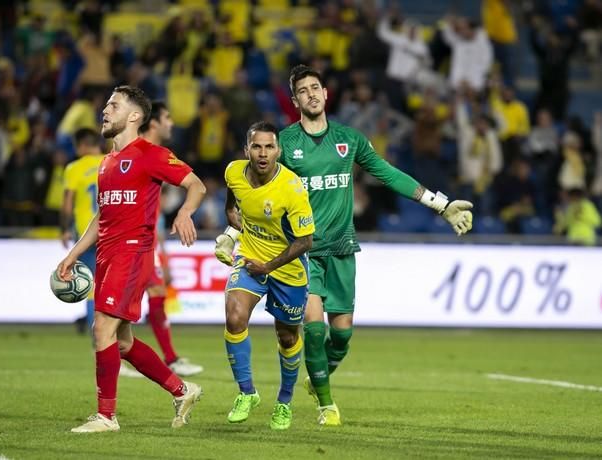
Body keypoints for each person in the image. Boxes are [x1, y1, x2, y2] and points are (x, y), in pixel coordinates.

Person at [215, 65, 473, 426]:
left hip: (342, 248)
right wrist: (234, 232)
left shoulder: (349, 139)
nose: (311, 94)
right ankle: (326, 405)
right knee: (314, 328)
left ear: (325, 93)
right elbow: (259, 195)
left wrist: (441, 205)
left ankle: (319, 375)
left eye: (315, 87)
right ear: (295, 101)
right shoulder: (284, 143)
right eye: (303, 91)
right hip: (304, 251)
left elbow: (388, 174)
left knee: (342, 335)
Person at [57, 85, 206, 433]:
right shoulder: (106, 163)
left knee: (102, 329)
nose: (105, 111)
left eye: (114, 105)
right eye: (106, 104)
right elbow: (101, 217)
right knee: (121, 341)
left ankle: (106, 416)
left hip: (132, 253)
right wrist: (72, 255)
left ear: (135, 116)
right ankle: (182, 390)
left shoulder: (151, 154)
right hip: (107, 254)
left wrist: (184, 213)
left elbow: (196, 185)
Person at [221, 121, 314, 431]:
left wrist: (269, 267)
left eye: (269, 147)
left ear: (279, 150)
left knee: (287, 337)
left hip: (287, 268)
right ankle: (247, 393)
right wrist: (231, 222)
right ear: (247, 149)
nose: (262, 153)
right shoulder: (234, 171)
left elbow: (305, 241)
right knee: (235, 317)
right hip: (250, 257)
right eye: (256, 147)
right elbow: (233, 201)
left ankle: (284, 402)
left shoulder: (292, 188)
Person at [138, 101, 203, 377]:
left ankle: (170, 357)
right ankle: (119, 358)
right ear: (153, 123)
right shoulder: (141, 153)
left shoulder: (144, 154)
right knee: (122, 308)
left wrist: (160, 248)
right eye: (167, 118)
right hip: (130, 243)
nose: (171, 123)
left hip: (146, 241)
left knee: (156, 293)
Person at [60, 128, 105, 334]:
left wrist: (64, 229)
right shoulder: (112, 161)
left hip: (86, 234)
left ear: (82, 146)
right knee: (112, 284)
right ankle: (114, 336)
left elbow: (68, 204)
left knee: (91, 284)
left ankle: (96, 337)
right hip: (111, 231)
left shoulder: (74, 168)